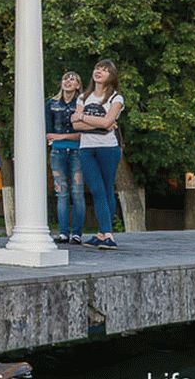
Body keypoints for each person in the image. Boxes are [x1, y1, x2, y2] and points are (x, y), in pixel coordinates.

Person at [71, 59, 124, 250]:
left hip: (108, 148)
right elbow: (75, 126)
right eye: (97, 68)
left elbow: (106, 122)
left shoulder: (116, 98)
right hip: (86, 149)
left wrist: (83, 117)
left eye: (104, 70)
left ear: (111, 76)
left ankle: (106, 235)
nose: (99, 72)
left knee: (107, 188)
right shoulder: (83, 98)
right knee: (96, 189)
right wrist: (100, 121)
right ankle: (104, 233)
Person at [45, 71, 84, 245]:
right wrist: (60, 137)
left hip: (77, 151)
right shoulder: (52, 104)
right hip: (58, 153)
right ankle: (63, 232)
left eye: (72, 79)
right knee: (61, 192)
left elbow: (84, 133)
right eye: (65, 78)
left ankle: (76, 233)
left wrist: (60, 137)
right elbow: (48, 132)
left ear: (78, 85)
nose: (68, 81)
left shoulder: (82, 104)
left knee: (77, 192)